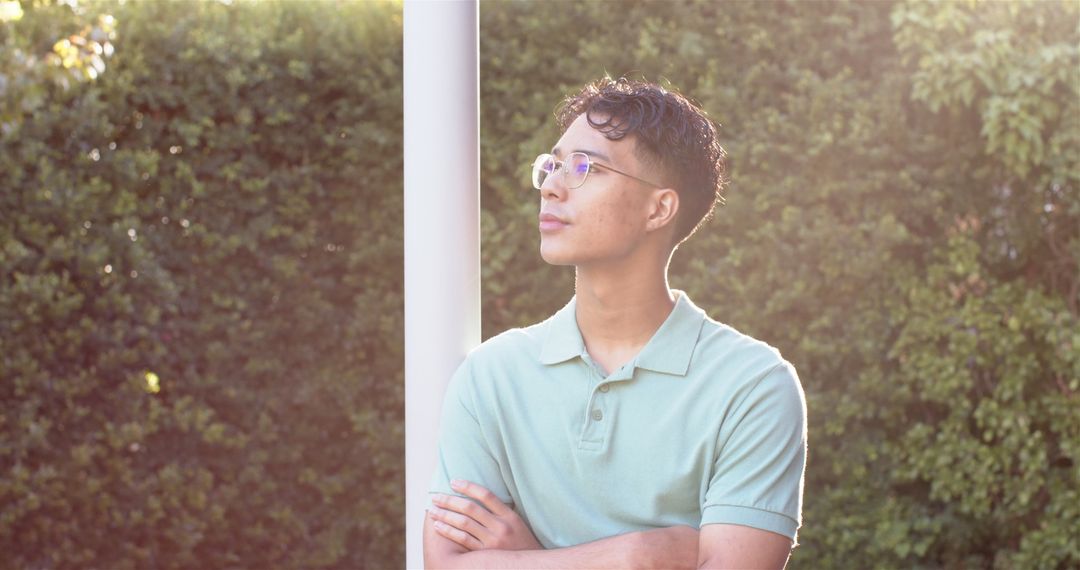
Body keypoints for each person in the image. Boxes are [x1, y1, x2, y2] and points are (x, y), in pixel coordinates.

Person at [423, 77, 807, 569]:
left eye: (586, 167)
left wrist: (524, 559)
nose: (552, 187)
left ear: (659, 208)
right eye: (553, 165)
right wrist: (636, 555)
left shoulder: (753, 386)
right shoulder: (489, 376)